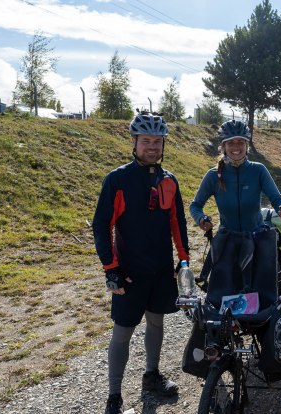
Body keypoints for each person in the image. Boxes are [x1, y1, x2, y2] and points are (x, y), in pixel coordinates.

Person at [92, 112, 190, 414]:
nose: (152, 146)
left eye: (157, 141)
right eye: (146, 140)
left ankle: (151, 375)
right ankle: (114, 395)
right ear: (134, 142)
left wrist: (183, 260)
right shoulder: (118, 179)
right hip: (129, 273)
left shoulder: (169, 180)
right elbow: (102, 225)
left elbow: (178, 223)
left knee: (157, 322)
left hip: (160, 271)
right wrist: (111, 269)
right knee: (122, 332)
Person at [189, 119, 281, 236]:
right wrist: (201, 218)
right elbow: (195, 205)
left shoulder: (258, 170)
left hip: (256, 236)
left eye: (240, 142)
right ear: (223, 146)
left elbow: (276, 199)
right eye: (230, 143)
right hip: (228, 237)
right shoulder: (213, 175)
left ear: (246, 145)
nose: (236, 147)